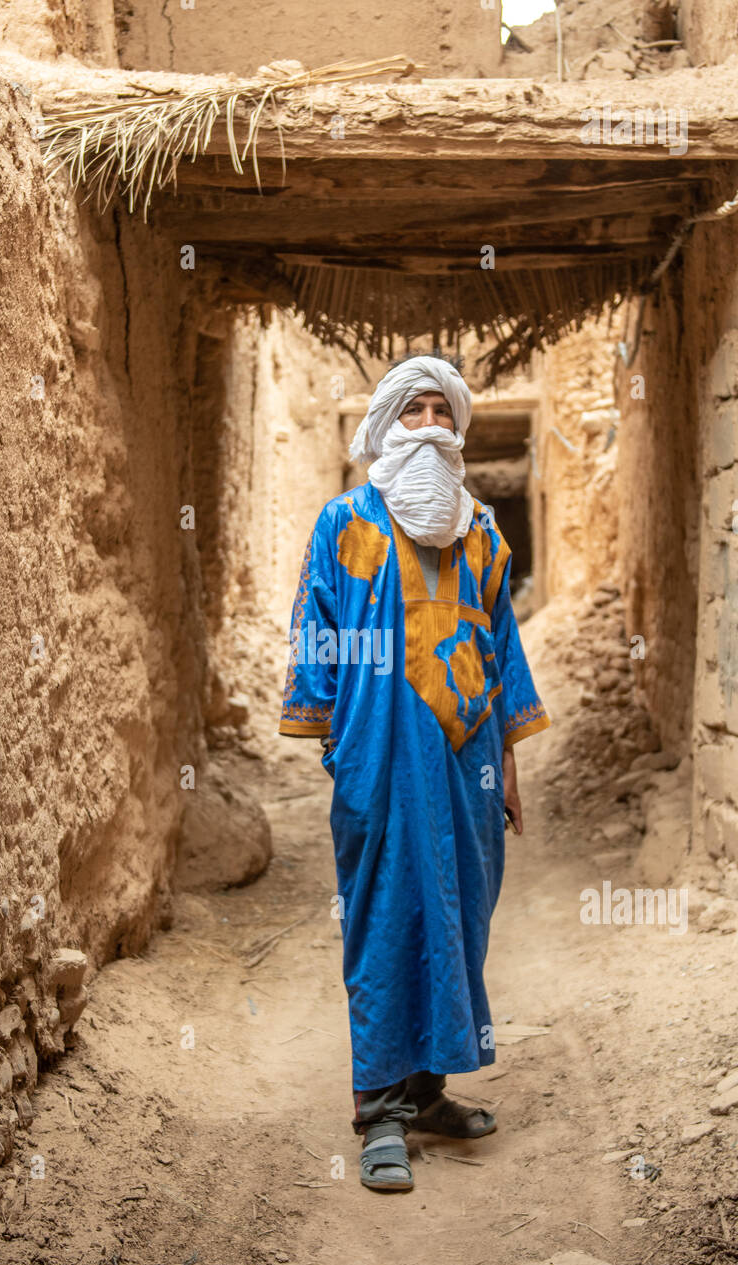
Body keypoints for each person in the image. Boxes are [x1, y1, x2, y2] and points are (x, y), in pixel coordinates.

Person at [278, 355, 550, 1192]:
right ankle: (379, 1114)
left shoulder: (485, 531)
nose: (430, 423)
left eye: (443, 411)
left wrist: (505, 761)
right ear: (388, 425)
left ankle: (428, 1090)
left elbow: (499, 646)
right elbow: (316, 629)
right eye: (414, 411)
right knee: (385, 920)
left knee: (460, 916)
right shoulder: (346, 523)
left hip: (467, 758)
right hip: (380, 753)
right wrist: (340, 742)